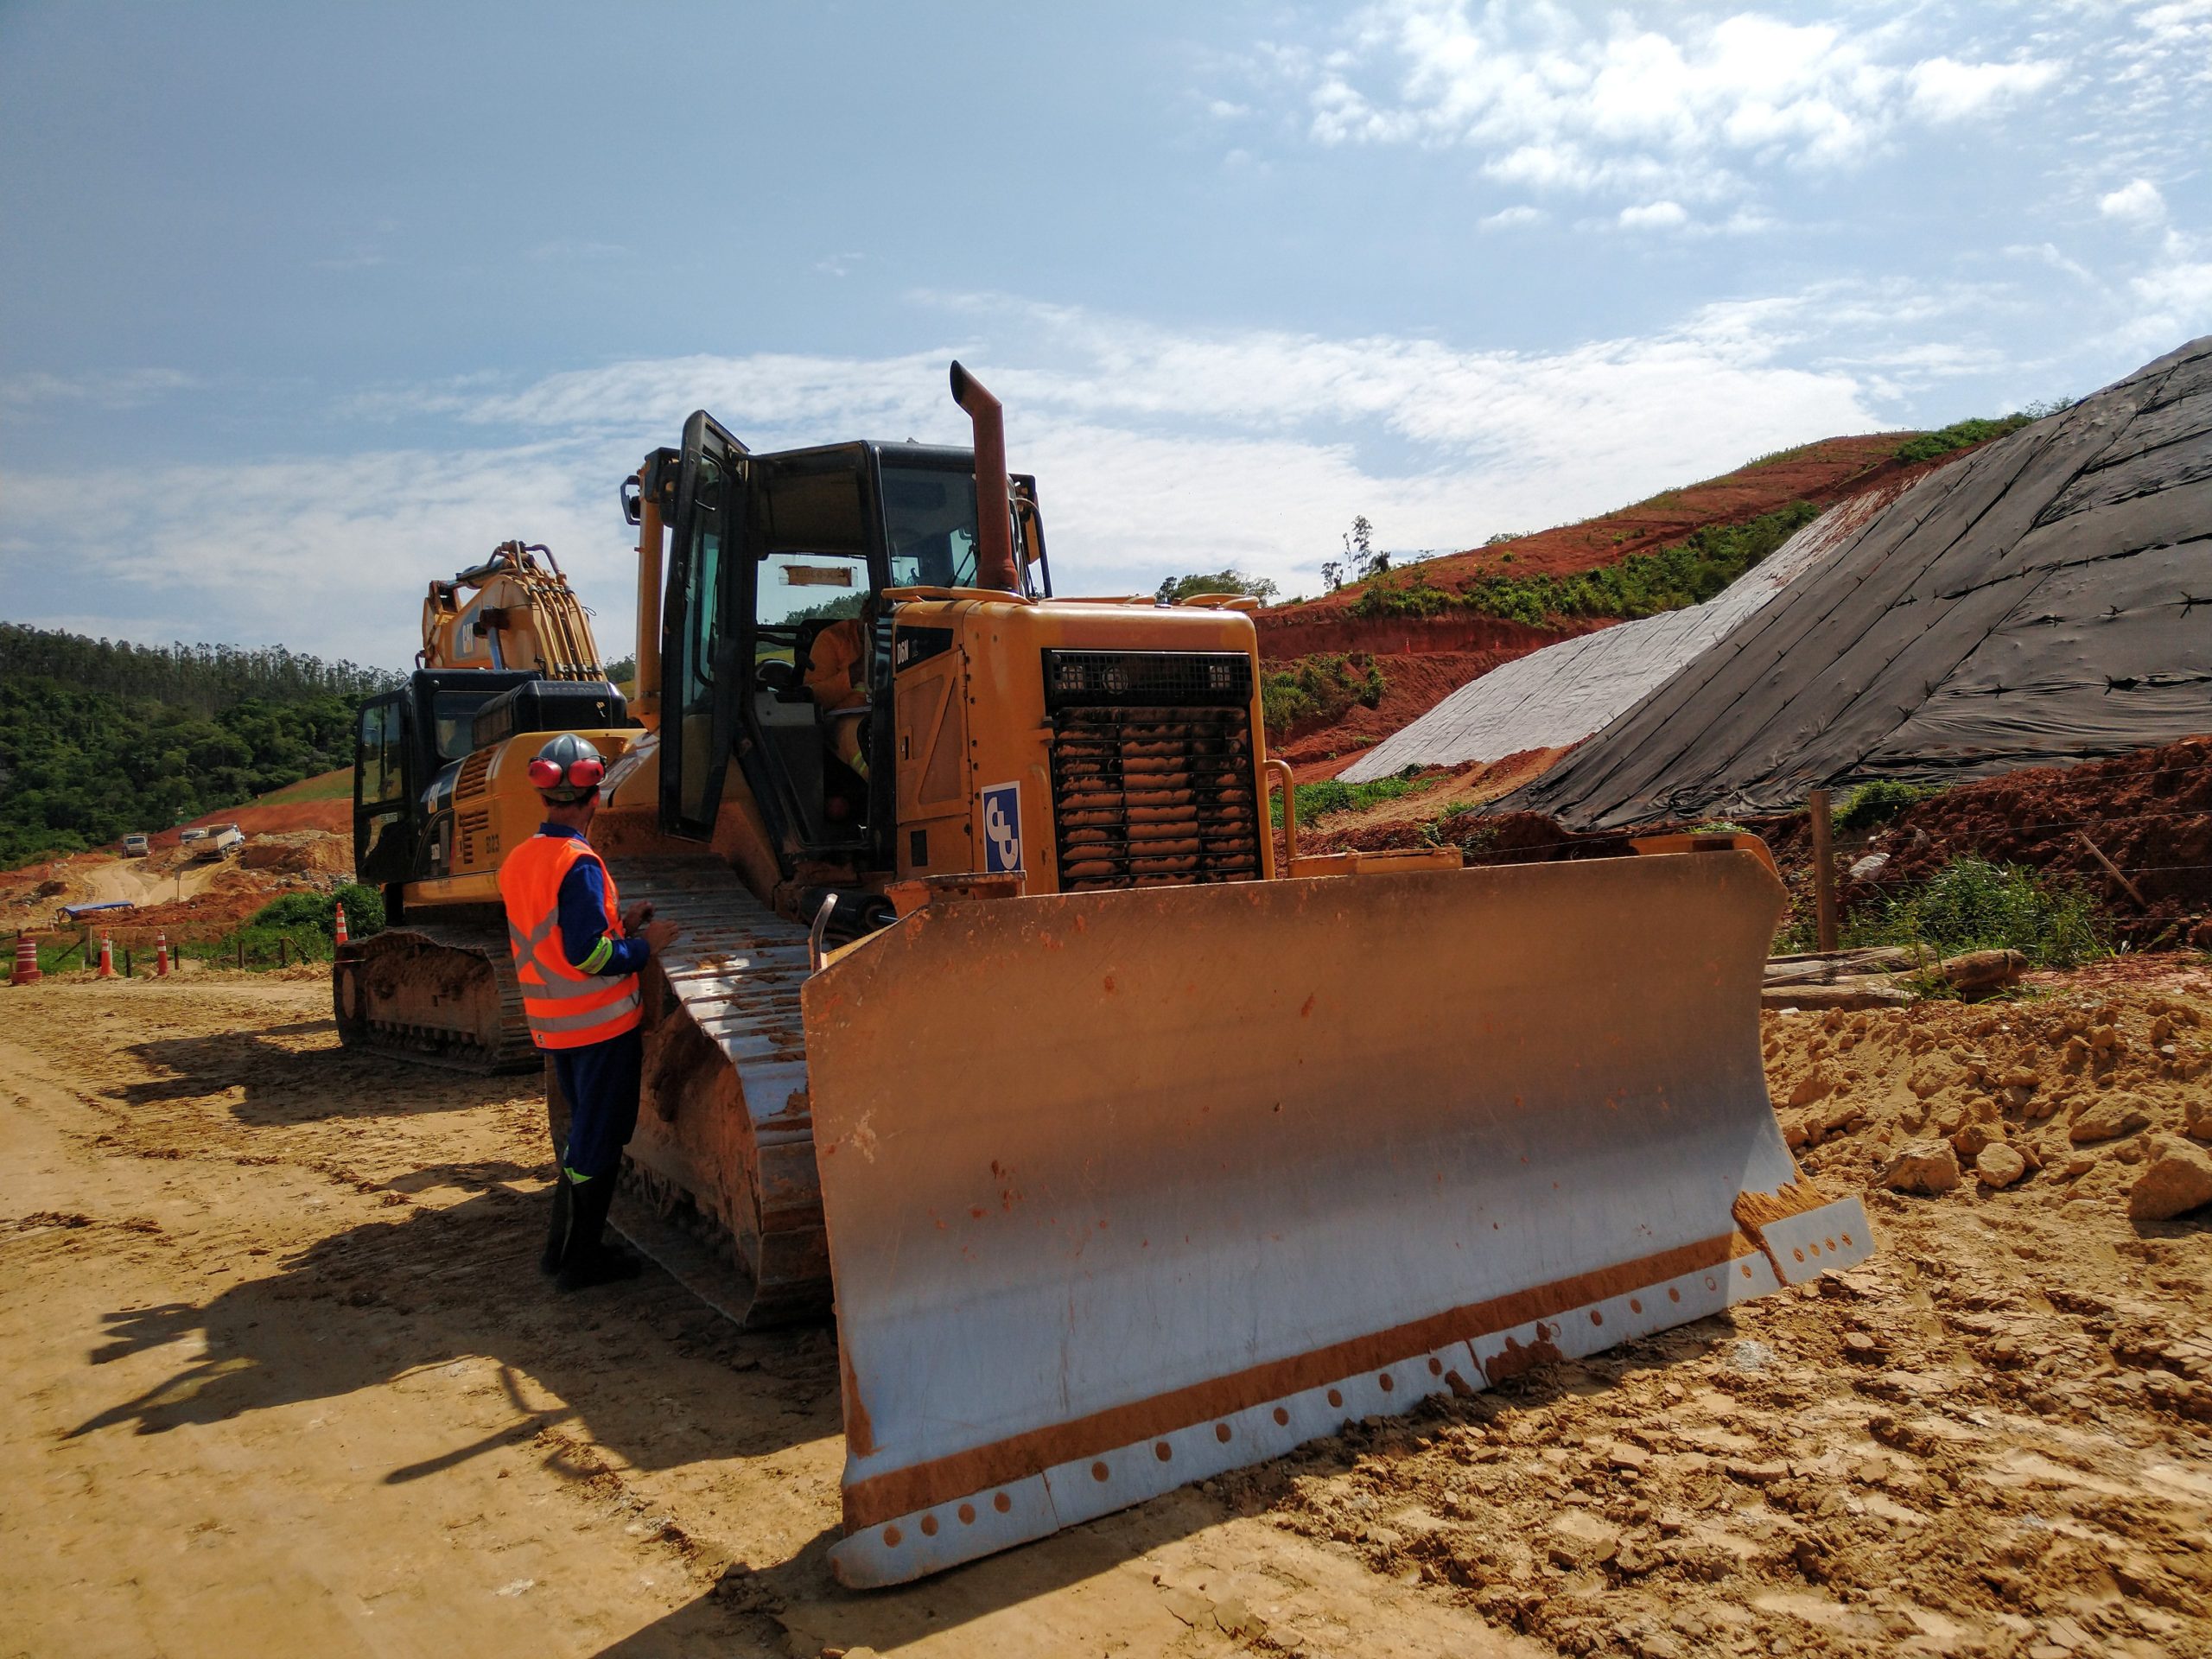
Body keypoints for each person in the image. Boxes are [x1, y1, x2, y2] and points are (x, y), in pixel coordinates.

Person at [498, 733, 682, 1291]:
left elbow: (556, 940)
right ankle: (580, 1260)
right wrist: (644, 946)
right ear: (594, 798)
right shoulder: (578, 864)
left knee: (587, 1136)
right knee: (600, 1139)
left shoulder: (522, 861)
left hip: (558, 1028)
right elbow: (588, 954)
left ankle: (562, 1252)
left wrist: (620, 925)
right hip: (601, 1028)